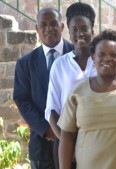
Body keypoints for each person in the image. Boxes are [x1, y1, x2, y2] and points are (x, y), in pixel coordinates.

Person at [58, 29, 116, 169]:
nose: (107, 58)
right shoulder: (78, 91)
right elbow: (67, 135)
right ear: (93, 57)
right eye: (101, 54)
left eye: (114, 55)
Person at [13, 8, 74, 169]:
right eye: (43, 25)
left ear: (62, 26)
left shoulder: (77, 55)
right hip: (42, 143)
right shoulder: (25, 64)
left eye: (54, 24)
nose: (49, 29)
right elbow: (22, 99)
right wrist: (47, 129)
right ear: (37, 29)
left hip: (76, 140)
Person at [44, 2, 96, 168]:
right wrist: (67, 143)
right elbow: (52, 109)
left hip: (98, 140)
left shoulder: (101, 62)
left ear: (92, 31)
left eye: (84, 28)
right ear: (69, 32)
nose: (79, 33)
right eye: (74, 29)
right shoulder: (60, 65)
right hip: (66, 141)